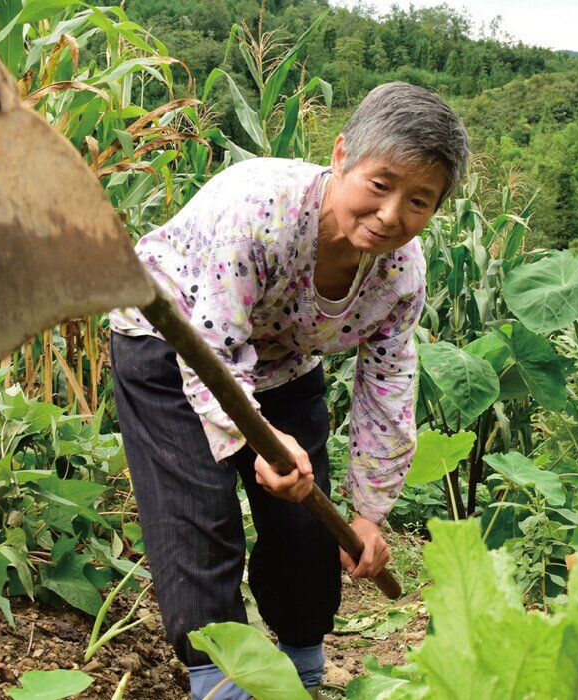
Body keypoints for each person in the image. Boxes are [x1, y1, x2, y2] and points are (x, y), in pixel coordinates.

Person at [106, 82, 468, 699]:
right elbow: (215, 349)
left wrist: (370, 514)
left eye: (419, 201)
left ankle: (302, 672)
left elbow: (388, 383)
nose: (390, 216)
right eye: (379, 186)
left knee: (305, 524)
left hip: (282, 362)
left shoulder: (401, 274)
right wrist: (265, 441)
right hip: (173, 344)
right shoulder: (258, 211)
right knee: (201, 514)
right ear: (341, 155)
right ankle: (220, 683)